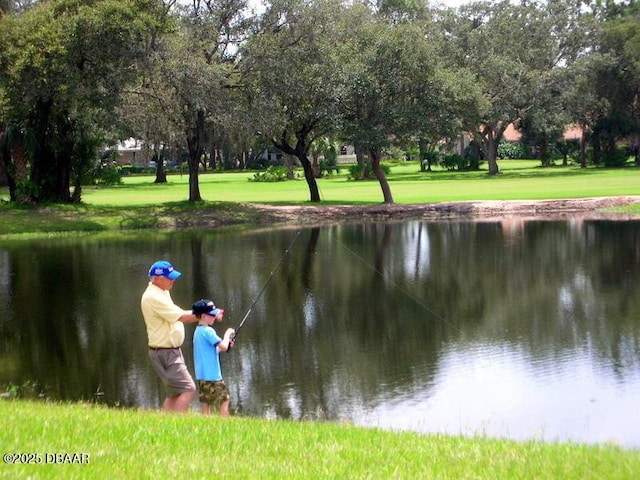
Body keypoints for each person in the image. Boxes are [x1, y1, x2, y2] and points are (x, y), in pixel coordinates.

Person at [141, 260, 198, 412]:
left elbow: (176, 314)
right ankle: (178, 426)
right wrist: (203, 313)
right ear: (158, 278)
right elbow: (182, 317)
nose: (173, 280)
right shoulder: (152, 297)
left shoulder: (162, 292)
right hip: (165, 352)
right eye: (169, 277)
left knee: (174, 393)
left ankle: (165, 425)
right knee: (188, 389)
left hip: (168, 351)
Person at [192, 299, 235, 416]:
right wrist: (227, 335)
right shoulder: (208, 331)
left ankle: (206, 424)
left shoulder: (198, 332)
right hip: (212, 376)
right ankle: (224, 424)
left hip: (202, 375)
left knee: (206, 402)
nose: (215, 317)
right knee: (225, 400)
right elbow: (224, 346)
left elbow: (214, 349)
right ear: (204, 316)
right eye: (212, 315)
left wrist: (227, 344)